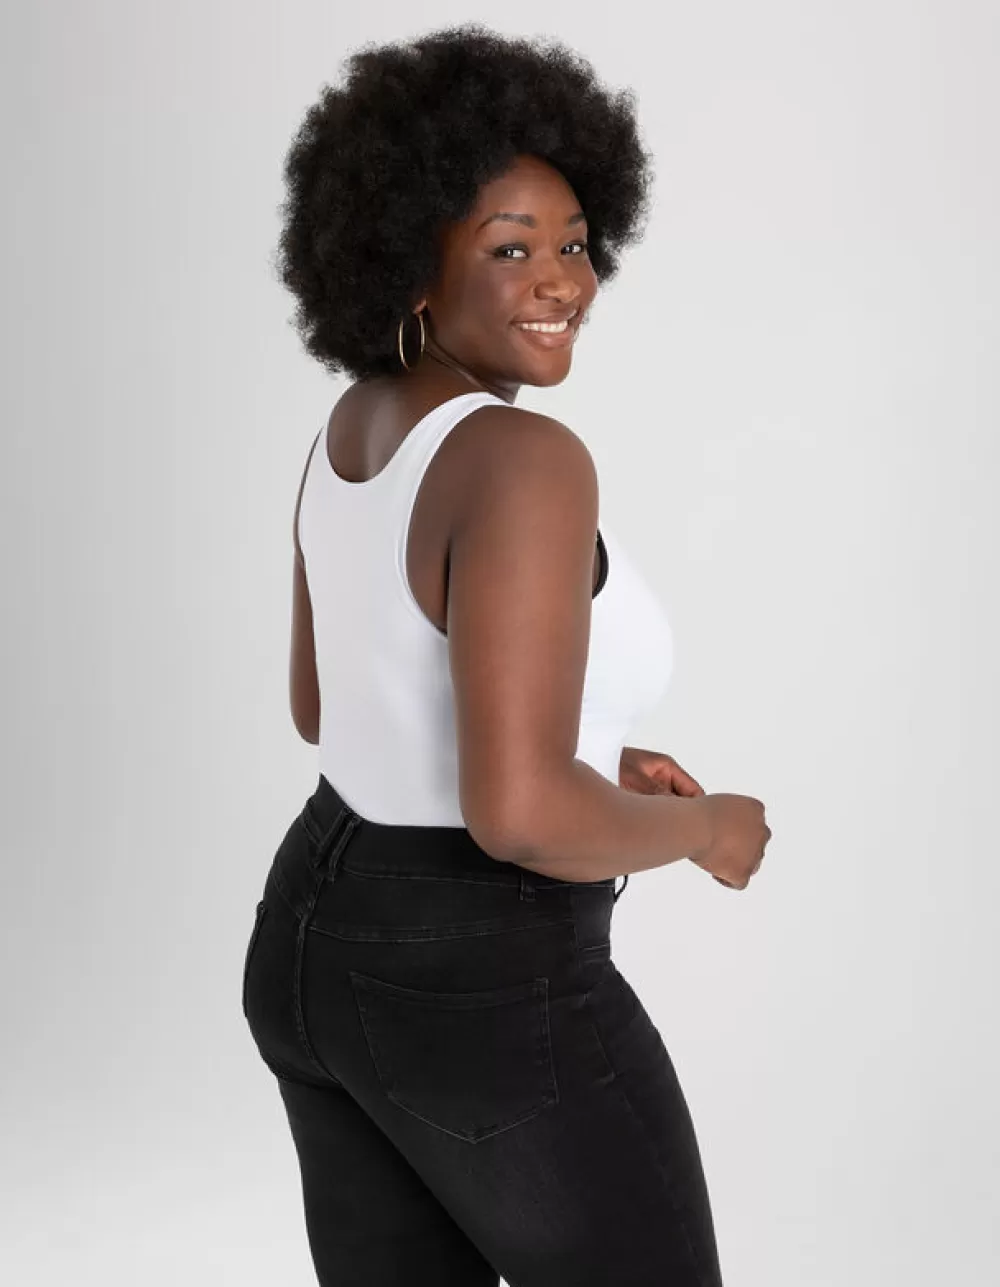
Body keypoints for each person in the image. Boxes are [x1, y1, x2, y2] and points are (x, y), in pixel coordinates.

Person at [242, 22, 770, 1287]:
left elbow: (329, 706)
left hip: (312, 943)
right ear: (409, 260)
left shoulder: (352, 428)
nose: (560, 283)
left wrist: (592, 746)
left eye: (574, 244)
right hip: (479, 979)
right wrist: (706, 830)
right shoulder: (525, 460)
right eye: (510, 247)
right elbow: (520, 814)